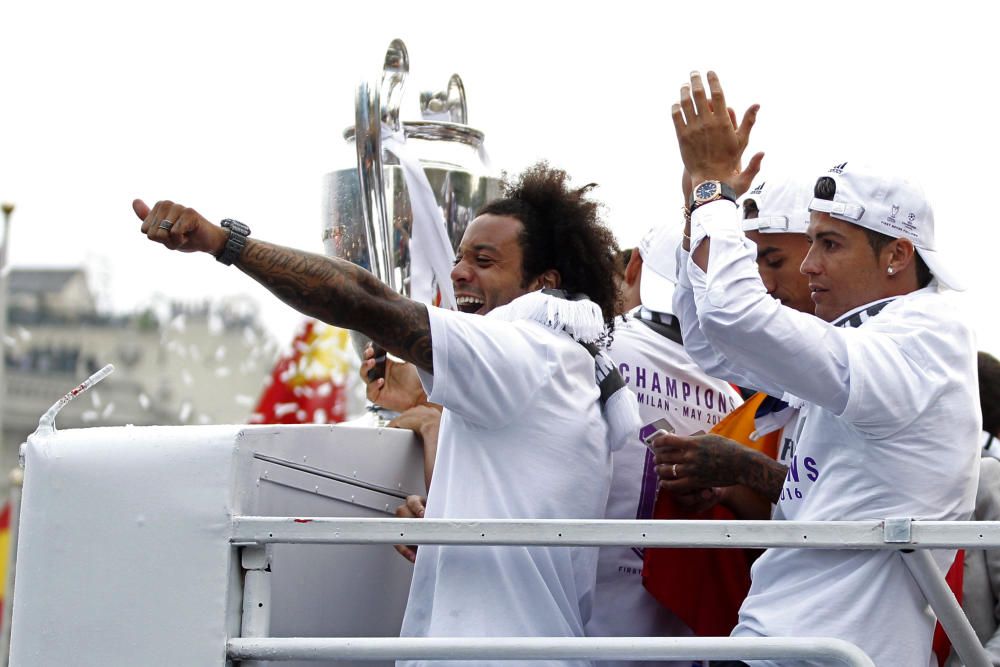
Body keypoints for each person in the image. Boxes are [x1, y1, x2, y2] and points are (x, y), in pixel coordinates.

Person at [133, 161, 625, 667]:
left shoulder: (527, 348)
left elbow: (366, 301)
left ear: (542, 284)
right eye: (459, 256)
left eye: (484, 259)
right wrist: (443, 522)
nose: (458, 272)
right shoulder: (565, 363)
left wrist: (224, 243)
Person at [653, 70, 980, 667]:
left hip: (832, 654)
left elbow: (734, 313)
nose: (807, 266)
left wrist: (711, 191)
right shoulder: (875, 338)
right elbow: (713, 344)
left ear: (897, 256)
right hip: (791, 645)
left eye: (829, 244)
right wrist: (695, 210)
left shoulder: (923, 341)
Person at [585, 227, 743, 667]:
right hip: (683, 643)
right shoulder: (732, 398)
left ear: (634, 265)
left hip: (579, 634)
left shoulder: (591, 350)